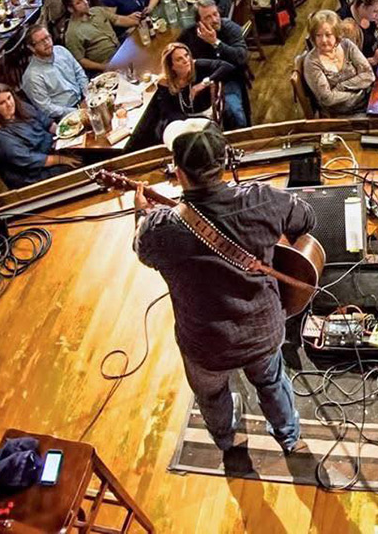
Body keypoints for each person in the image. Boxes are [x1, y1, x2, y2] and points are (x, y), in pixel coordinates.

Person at [133, 119, 315, 467]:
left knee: (212, 394)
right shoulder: (262, 200)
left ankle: (226, 440)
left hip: (205, 344)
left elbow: (143, 251)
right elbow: (305, 218)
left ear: (179, 174)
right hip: (262, 332)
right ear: (227, 162)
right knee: (271, 382)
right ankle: (289, 436)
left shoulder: (160, 228)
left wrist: (142, 213)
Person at [0, 84, 77, 187]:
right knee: (76, 166)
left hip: (52, 149)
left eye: (9, 98)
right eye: (2, 103)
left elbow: (46, 122)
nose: (9, 104)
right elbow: (29, 160)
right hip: (33, 174)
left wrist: (66, 134)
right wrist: (61, 159)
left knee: (83, 147)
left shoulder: (20, 107)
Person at [127, 43, 217, 149]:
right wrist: (186, 122)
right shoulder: (164, 83)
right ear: (172, 66)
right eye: (179, 59)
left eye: (186, 55)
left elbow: (226, 67)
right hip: (180, 122)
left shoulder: (197, 68)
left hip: (201, 117)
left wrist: (203, 84)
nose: (186, 60)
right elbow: (168, 112)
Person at [187, 0, 251, 129]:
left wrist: (215, 42)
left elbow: (242, 58)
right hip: (203, 80)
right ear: (199, 22)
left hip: (229, 77)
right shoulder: (190, 35)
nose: (215, 20)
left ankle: (243, 136)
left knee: (235, 113)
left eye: (215, 14)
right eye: (208, 17)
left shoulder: (229, 27)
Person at [297, 10, 374, 117]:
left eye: (328, 35)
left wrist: (340, 87)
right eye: (318, 35)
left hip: (366, 102)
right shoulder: (311, 63)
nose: (323, 40)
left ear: (336, 34)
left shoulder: (347, 45)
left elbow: (369, 75)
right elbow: (327, 98)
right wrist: (359, 93)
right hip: (341, 116)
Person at [20, 23, 87, 113]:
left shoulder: (61, 50)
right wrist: (77, 110)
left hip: (83, 96)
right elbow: (47, 108)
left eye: (47, 37)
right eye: (41, 41)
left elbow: (79, 72)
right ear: (32, 48)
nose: (47, 43)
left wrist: (87, 95)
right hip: (66, 112)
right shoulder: (32, 76)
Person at [61, 0, 122, 71]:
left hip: (120, 49)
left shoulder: (96, 11)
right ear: (70, 9)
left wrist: (136, 20)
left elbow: (117, 20)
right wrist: (104, 67)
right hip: (106, 62)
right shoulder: (71, 33)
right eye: (79, 2)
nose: (85, 3)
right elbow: (81, 60)